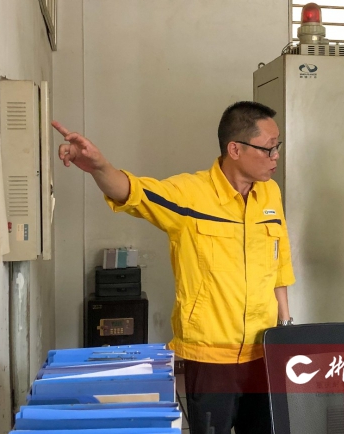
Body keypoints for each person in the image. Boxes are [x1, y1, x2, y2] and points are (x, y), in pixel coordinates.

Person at [53, 101, 295, 433]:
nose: (276, 156)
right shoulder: (190, 195)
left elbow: (279, 262)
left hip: (263, 349)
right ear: (235, 149)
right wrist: (99, 166)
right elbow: (133, 192)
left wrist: (285, 325)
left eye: (277, 146)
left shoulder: (270, 194)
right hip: (210, 356)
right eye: (268, 148)